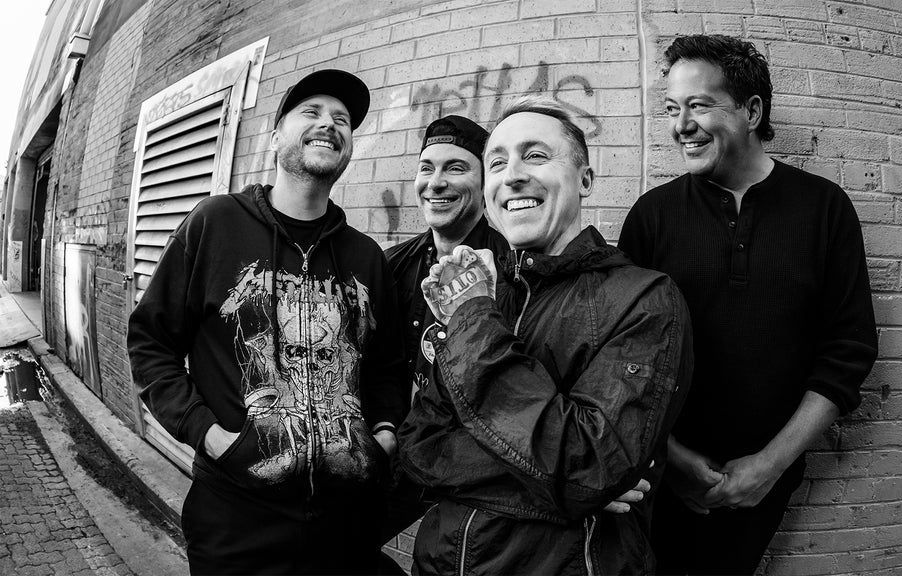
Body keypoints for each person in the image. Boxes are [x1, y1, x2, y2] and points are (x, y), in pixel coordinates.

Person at [399, 96, 693, 575]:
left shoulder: (644, 300)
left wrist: (472, 318)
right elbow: (420, 445)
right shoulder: (486, 295)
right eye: (497, 163)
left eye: (535, 155)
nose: (512, 175)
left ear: (585, 180)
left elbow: (587, 464)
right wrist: (566, 490)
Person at [618, 35, 878, 575]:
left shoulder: (824, 208)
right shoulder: (651, 216)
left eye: (698, 105)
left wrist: (769, 467)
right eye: (672, 108)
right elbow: (619, 355)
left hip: (763, 486)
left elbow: (848, 352)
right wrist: (672, 456)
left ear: (752, 111)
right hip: (654, 476)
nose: (680, 125)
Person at [127, 69, 405, 575]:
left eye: (342, 120)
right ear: (276, 137)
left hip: (345, 524)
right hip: (236, 522)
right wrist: (210, 435)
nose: (329, 124)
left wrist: (383, 436)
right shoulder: (215, 224)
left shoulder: (366, 257)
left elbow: (386, 366)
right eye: (312, 112)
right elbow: (151, 343)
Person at [381, 115, 508, 546]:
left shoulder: (511, 269)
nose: (436, 183)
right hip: (396, 452)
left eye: (455, 167)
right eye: (426, 168)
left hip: (475, 472)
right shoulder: (392, 266)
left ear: (485, 180)